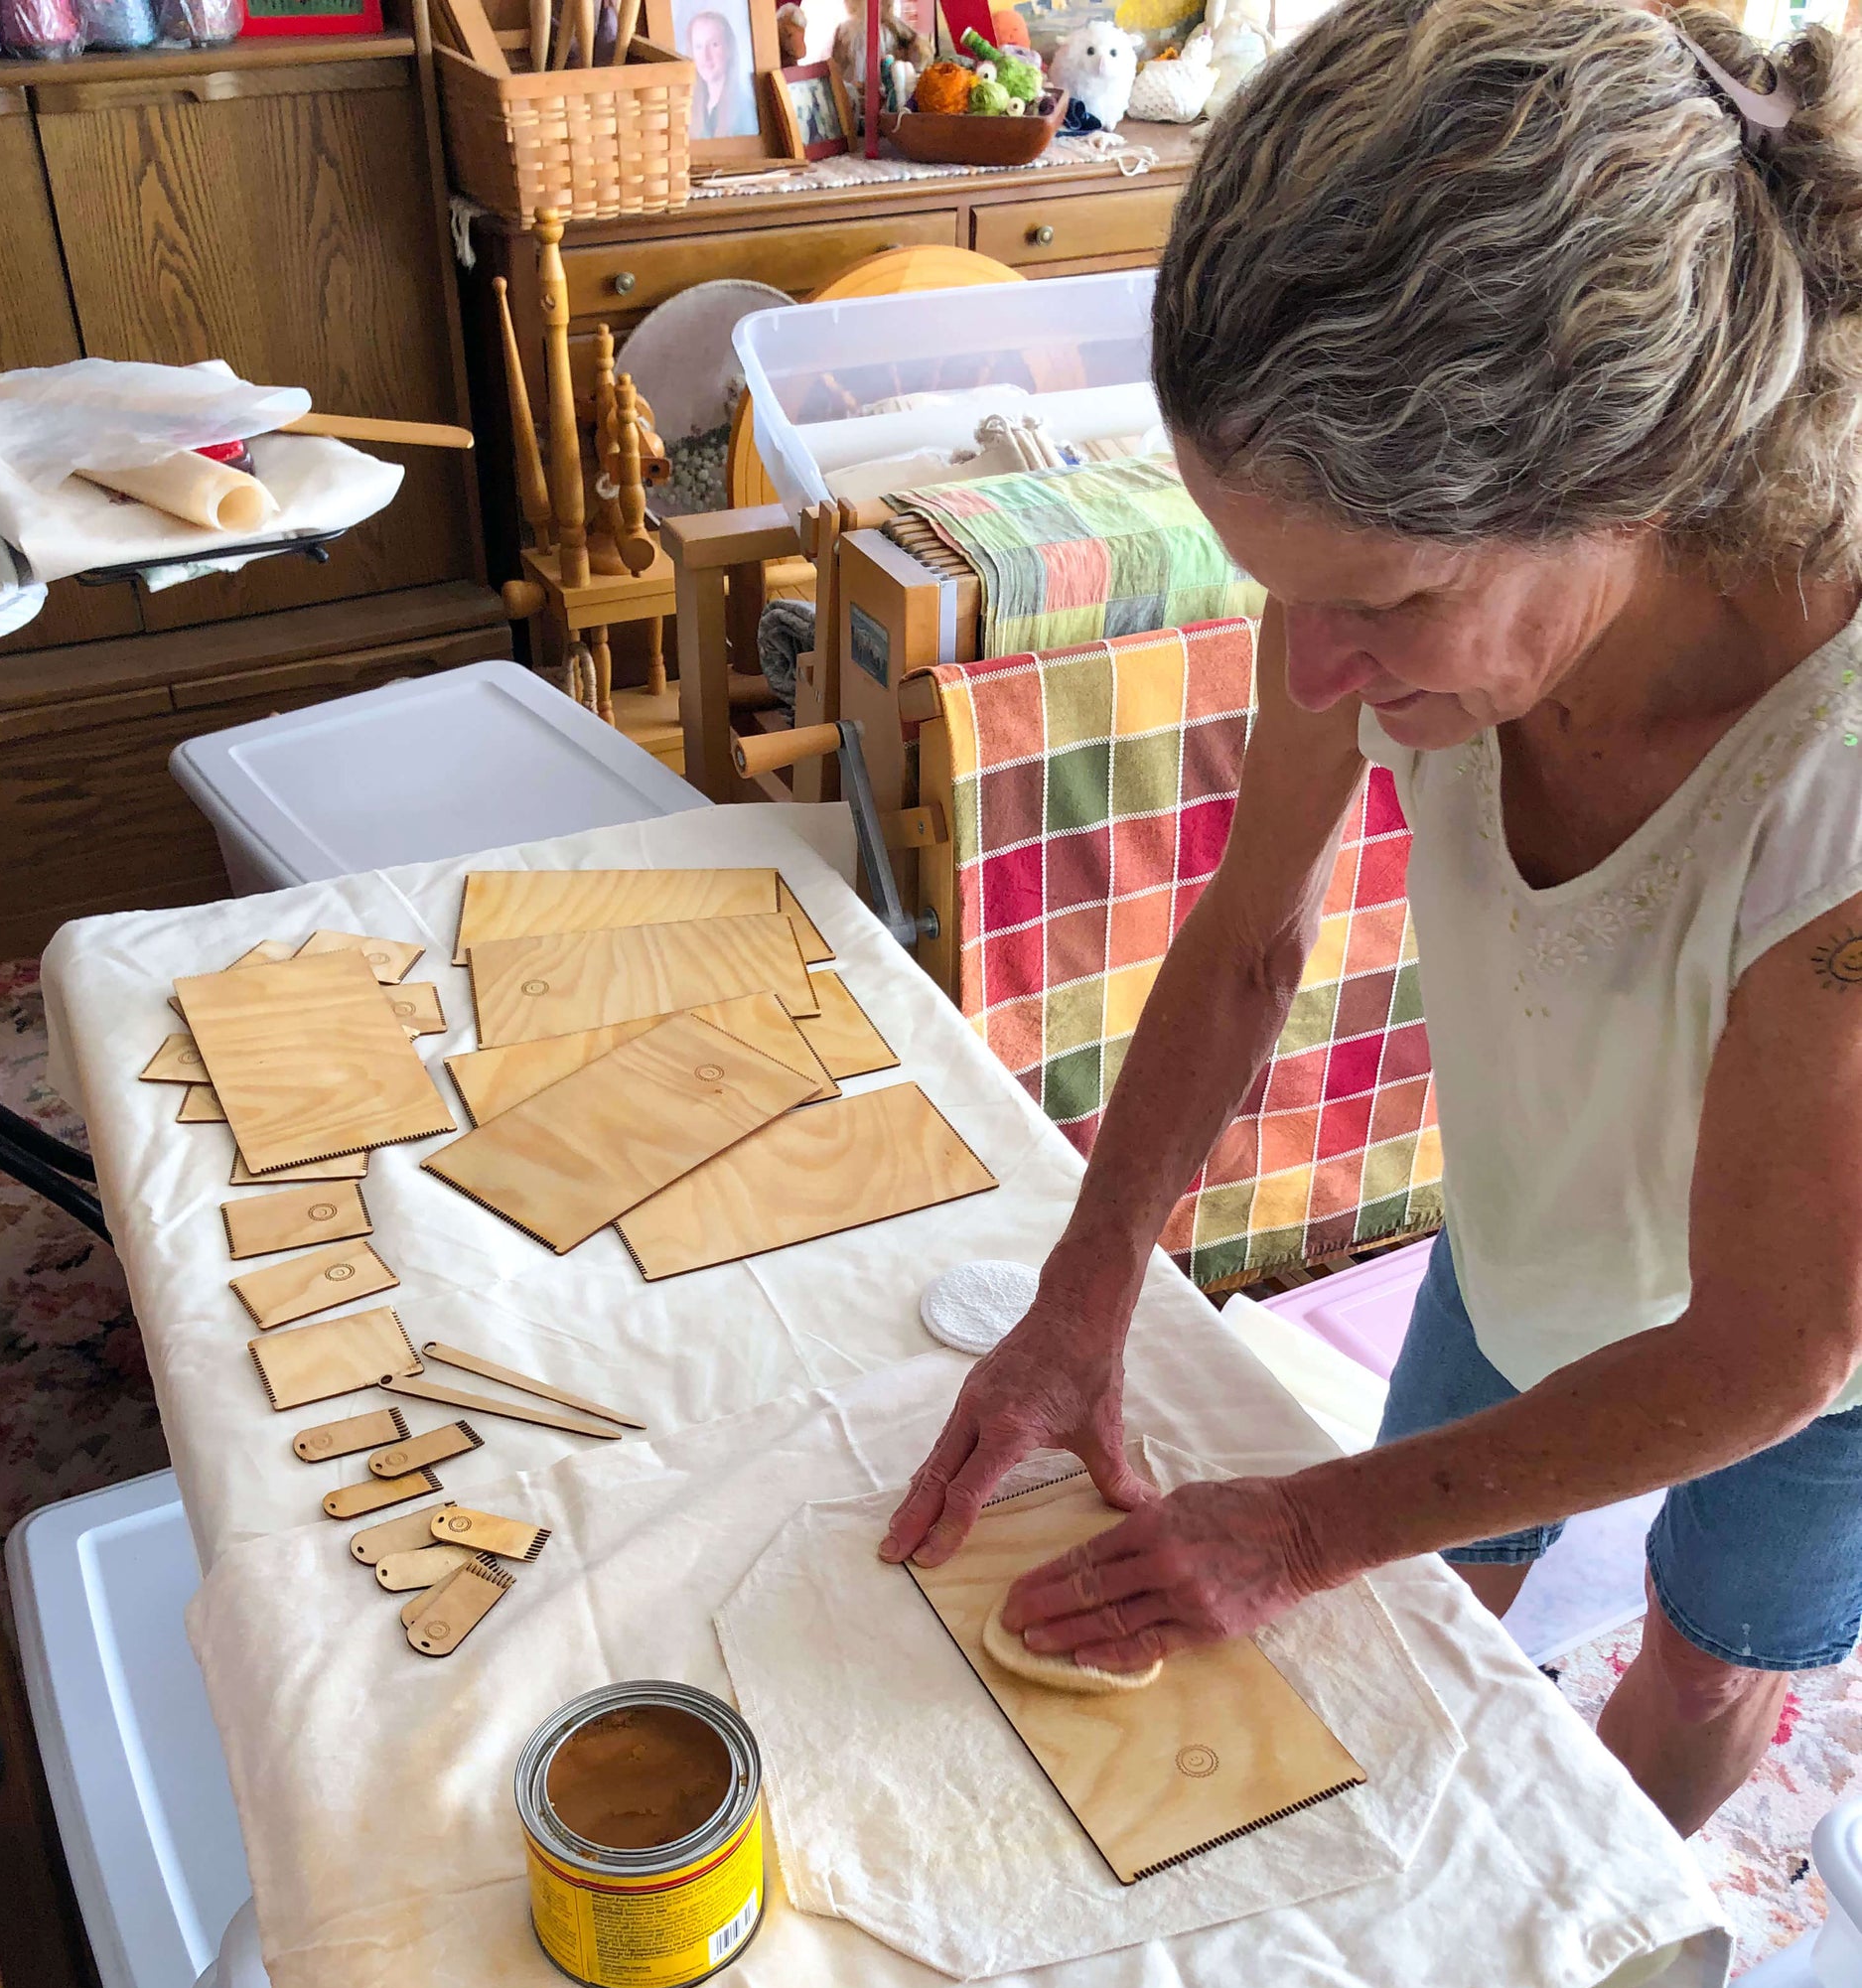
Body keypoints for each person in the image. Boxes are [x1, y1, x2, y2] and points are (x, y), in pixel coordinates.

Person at [880, 0, 1862, 1872]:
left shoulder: (1828, 758)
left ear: (1639, 490)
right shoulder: (1365, 565)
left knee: (1708, 1656)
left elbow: (1770, 1343)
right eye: (1278, 593)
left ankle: (1581, 1955)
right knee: (1399, 1635)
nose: (1311, 671)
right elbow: (1248, 944)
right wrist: (1078, 1307)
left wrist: (1304, 1522)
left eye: (1388, 605)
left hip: (1818, 1348)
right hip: (1522, 1241)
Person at [686, 6, 758, 137]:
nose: (705, 56)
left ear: (729, 49)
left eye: (714, 44)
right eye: (698, 46)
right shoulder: (688, 107)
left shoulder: (744, 109)